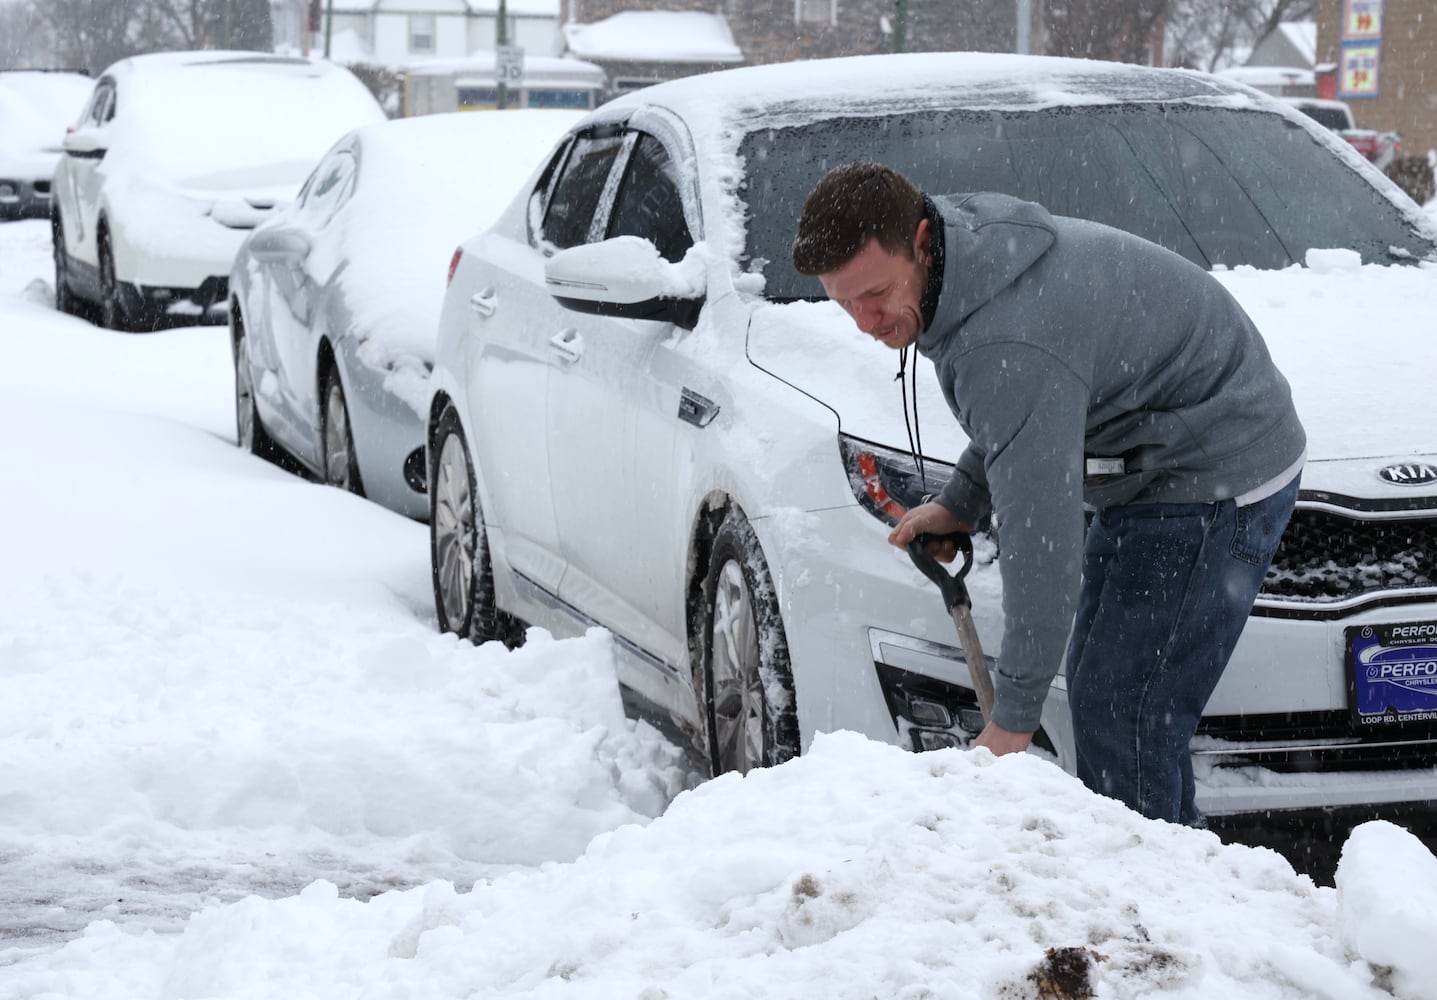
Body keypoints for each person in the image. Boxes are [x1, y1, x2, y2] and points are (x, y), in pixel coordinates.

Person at [791, 162, 1306, 826]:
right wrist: (962, 500)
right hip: (1155, 458)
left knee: (1127, 713)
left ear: (920, 240)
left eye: (877, 293)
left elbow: (1042, 542)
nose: (865, 321)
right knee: (1109, 697)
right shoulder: (968, 259)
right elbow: (1029, 413)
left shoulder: (1003, 330)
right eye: (845, 302)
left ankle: (1154, 898)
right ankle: (1166, 869)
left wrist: (1011, 721)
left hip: (1210, 469)